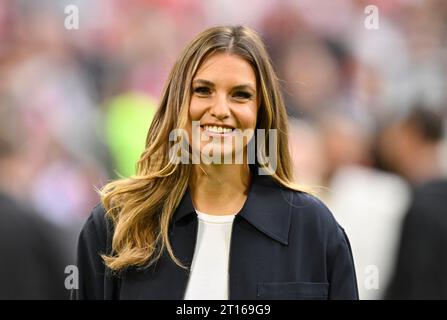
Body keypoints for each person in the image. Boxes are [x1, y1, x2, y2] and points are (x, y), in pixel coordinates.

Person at [74, 25, 358, 300]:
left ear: (261, 112)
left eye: (241, 95)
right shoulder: (117, 224)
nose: (220, 110)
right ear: (177, 103)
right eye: (203, 90)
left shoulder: (313, 228)